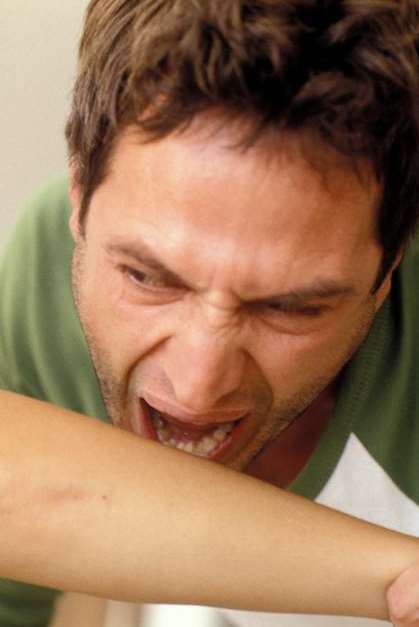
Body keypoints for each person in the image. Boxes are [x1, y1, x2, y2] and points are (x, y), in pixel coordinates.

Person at [1, 0, 419, 625]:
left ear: (389, 271)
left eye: (291, 309)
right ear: (79, 201)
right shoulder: (52, 263)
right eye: (146, 278)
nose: (196, 387)